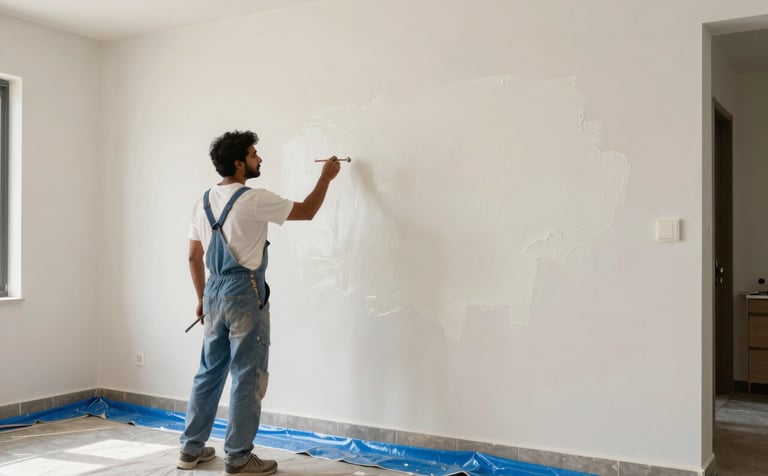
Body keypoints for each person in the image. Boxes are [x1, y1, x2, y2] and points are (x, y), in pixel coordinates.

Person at [177, 130, 341, 475]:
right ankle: (237, 457)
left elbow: (194, 257)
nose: (259, 159)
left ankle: (190, 450)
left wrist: (201, 300)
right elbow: (308, 211)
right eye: (254, 154)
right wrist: (326, 178)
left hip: (213, 295)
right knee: (247, 376)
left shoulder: (202, 200)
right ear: (239, 164)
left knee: (208, 373)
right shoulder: (253, 199)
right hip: (244, 295)